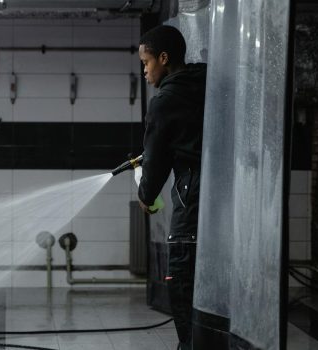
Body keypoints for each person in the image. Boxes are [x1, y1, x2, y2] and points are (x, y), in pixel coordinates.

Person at [136, 25, 206, 350]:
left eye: (147, 62)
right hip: (220, 210)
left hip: (191, 211)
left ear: (163, 59)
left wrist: (145, 196)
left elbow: (155, 164)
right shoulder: (206, 84)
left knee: (183, 284)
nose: (145, 71)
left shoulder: (163, 100)